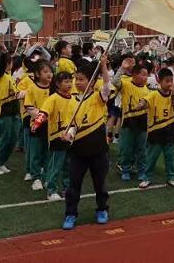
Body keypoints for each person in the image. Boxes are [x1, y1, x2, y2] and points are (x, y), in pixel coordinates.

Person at [61, 57, 112, 230]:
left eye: (81, 79)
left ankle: (102, 209)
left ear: (91, 80)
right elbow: (72, 125)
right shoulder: (72, 102)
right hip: (78, 152)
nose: (77, 82)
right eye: (76, 79)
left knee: (100, 183)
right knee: (73, 185)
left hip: (98, 150)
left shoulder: (98, 97)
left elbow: (107, 86)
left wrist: (104, 66)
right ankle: (70, 213)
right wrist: (68, 135)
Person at [34, 71, 76, 200]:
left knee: (68, 166)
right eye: (66, 81)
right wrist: (37, 123)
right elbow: (44, 112)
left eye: (70, 81)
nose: (69, 84)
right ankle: (51, 190)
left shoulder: (74, 99)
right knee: (55, 165)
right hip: (56, 137)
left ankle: (66, 188)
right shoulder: (53, 98)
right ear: (58, 84)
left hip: (69, 137)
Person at [138, 67, 174, 188]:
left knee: (170, 157)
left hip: (170, 130)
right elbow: (145, 101)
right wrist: (141, 105)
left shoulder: (173, 95)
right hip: (155, 131)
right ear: (159, 82)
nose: (170, 84)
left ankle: (171, 177)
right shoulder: (154, 94)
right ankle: (147, 177)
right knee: (152, 157)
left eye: (171, 81)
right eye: (167, 81)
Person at [113, 58, 150, 181]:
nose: (146, 77)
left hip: (143, 122)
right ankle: (125, 169)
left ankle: (141, 170)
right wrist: (122, 68)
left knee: (141, 149)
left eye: (147, 75)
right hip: (128, 122)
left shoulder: (147, 89)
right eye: (143, 74)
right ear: (134, 75)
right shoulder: (126, 84)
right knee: (126, 148)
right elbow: (115, 81)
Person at [22, 61, 53, 191]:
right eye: (45, 72)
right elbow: (29, 107)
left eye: (50, 71)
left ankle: (45, 176)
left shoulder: (54, 88)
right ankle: (35, 177)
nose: (49, 74)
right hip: (37, 125)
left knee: (47, 152)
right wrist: (42, 117)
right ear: (37, 74)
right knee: (35, 152)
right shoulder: (32, 89)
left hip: (51, 127)